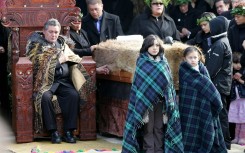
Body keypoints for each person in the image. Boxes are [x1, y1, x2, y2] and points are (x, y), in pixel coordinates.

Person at [26, 18, 94, 144]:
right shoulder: (36, 45)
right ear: (44, 32)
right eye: (51, 32)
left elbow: (74, 58)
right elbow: (39, 66)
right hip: (46, 82)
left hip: (62, 81)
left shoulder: (62, 43)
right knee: (45, 97)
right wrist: (59, 61)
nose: (54, 35)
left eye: (56, 32)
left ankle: (69, 131)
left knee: (73, 94)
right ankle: (53, 132)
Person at [122, 34, 184, 153]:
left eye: (157, 45)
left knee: (159, 128)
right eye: (151, 45)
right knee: (148, 129)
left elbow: (169, 85)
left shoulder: (164, 62)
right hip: (145, 103)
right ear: (146, 47)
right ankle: (149, 150)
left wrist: (169, 101)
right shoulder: (141, 62)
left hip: (161, 103)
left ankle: (159, 150)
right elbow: (139, 86)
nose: (154, 48)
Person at [179, 46, 227, 152]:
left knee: (205, 127)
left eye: (195, 57)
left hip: (204, 105)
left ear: (199, 58)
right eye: (190, 57)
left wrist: (215, 101)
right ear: (184, 58)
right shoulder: (182, 71)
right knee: (189, 129)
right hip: (188, 107)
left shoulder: (203, 69)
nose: (193, 60)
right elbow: (183, 91)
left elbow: (210, 89)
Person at [205, 16, 232, 150]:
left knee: (220, 114)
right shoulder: (221, 41)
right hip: (221, 84)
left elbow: (213, 68)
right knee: (221, 114)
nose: (209, 28)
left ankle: (225, 143)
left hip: (218, 85)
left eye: (211, 25)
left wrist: (204, 79)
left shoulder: (220, 44)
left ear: (217, 27)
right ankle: (223, 142)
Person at [228, 52, 245, 145]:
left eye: (240, 63)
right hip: (235, 100)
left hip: (243, 100)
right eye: (235, 63)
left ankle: (243, 137)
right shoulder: (230, 72)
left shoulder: (243, 72)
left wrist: (239, 80)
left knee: (243, 119)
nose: (238, 66)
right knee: (236, 120)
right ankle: (236, 137)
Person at [0, 23, 10, 111]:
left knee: (3, 84)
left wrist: (4, 48)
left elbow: (8, 43)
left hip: (2, 61)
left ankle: (5, 108)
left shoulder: (4, 28)